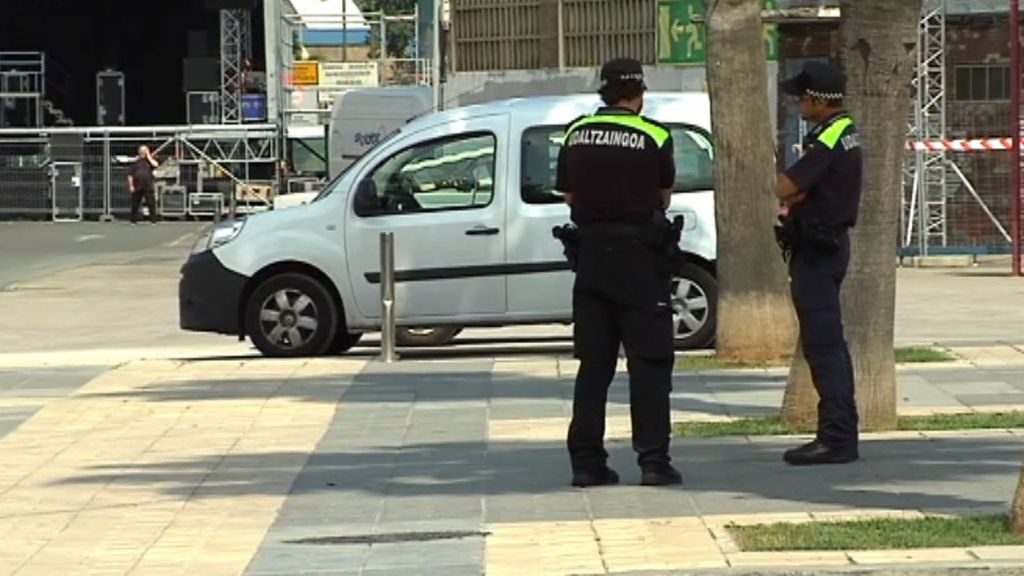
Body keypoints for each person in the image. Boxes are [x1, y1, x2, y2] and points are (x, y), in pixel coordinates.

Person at [555, 58, 682, 487]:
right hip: (640, 260)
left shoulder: (575, 133)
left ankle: (586, 463)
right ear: (638, 94)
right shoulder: (655, 134)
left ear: (603, 92)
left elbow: (570, 195)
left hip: (591, 258)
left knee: (594, 366)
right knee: (649, 363)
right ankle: (653, 461)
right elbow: (664, 198)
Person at [775, 61, 863, 466]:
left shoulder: (828, 137)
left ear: (818, 100)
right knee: (827, 345)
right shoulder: (841, 132)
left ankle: (837, 437)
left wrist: (776, 175)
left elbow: (787, 187)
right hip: (825, 246)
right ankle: (839, 433)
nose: (797, 103)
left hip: (818, 251)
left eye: (802, 97)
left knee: (824, 346)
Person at [128, 145, 159, 224]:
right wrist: (131, 185)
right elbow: (130, 175)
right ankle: (133, 220)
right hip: (137, 185)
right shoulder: (135, 162)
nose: (143, 152)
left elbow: (156, 165)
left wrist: (149, 156)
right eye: (142, 150)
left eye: (145, 150)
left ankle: (153, 220)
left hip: (148, 186)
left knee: (151, 203)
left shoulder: (149, 161)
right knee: (135, 203)